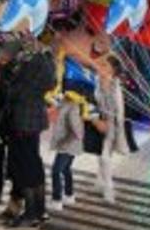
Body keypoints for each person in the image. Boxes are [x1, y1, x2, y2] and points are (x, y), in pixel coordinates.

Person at [0, 38, 57, 229]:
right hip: (33, 118)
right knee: (33, 163)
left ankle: (31, 214)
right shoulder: (48, 57)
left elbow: (19, 89)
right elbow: (50, 84)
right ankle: (39, 211)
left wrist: (11, 86)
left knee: (24, 166)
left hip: (22, 119)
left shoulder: (33, 59)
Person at [89, 58, 129, 204]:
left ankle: (109, 188)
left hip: (112, 125)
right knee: (100, 155)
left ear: (112, 70)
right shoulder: (96, 82)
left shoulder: (115, 85)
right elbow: (91, 101)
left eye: (104, 65)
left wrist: (118, 131)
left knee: (105, 156)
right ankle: (100, 180)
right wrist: (95, 119)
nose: (100, 67)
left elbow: (120, 109)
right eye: (100, 64)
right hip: (97, 122)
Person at [48, 90, 84, 212]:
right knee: (65, 169)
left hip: (68, 146)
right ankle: (69, 195)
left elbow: (77, 131)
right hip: (69, 145)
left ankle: (56, 200)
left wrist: (64, 142)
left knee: (55, 171)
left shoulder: (72, 106)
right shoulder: (63, 104)